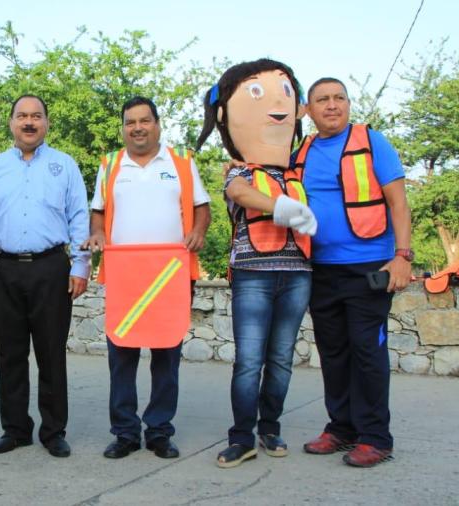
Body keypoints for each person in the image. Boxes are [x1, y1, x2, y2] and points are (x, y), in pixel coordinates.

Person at [195, 59, 317, 468]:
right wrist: (283, 208)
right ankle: (241, 436)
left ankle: (271, 426)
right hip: (252, 276)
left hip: (297, 274)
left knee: (281, 357)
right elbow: (243, 196)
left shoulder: (297, 172)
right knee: (249, 360)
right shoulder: (237, 173)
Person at [85, 96, 211, 460]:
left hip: (170, 275)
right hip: (125, 275)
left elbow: (202, 209)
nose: (137, 127)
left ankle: (159, 431)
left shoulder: (182, 162)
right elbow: (98, 212)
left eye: (144, 120)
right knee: (121, 355)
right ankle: (124, 432)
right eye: (130, 122)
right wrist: (97, 234)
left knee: (166, 355)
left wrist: (199, 232)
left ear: (157, 124)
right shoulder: (109, 165)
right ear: (123, 128)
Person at [0, 94, 90, 458]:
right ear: (11, 123)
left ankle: (54, 431)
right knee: (10, 354)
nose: (29, 122)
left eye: (37, 116)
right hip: (3, 270)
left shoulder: (64, 166)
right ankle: (16, 429)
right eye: (22, 116)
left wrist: (80, 265)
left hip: (51, 268)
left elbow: (79, 217)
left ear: (47, 123)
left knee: (52, 354)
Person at [296, 78, 412, 468]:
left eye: (339, 98)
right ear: (307, 110)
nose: (332, 105)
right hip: (321, 269)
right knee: (334, 353)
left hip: (369, 268)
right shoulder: (302, 151)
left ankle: (376, 437)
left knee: (367, 350)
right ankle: (342, 428)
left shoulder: (372, 142)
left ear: (348, 104)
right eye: (322, 100)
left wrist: (403, 256)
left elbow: (398, 202)